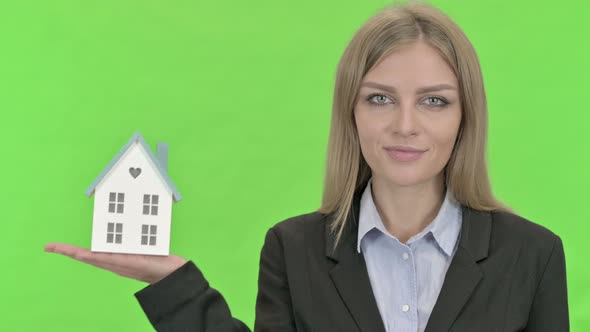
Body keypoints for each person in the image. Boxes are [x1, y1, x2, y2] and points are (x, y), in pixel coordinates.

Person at [45, 1, 569, 331]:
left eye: (434, 101)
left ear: (465, 117)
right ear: (351, 112)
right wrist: (178, 286)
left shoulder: (534, 254)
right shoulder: (292, 250)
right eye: (380, 98)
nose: (405, 125)